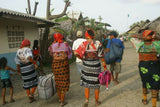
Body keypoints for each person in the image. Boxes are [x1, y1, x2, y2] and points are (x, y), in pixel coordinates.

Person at [74, 29, 107, 107]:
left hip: (86, 65)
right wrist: (105, 67)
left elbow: (75, 53)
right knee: (96, 84)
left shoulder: (84, 44)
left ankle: (86, 100)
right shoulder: (98, 43)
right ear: (93, 36)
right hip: (96, 66)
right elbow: (102, 56)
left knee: (87, 83)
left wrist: (82, 59)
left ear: (86, 36)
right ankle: (96, 101)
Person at [131, 30, 160, 107]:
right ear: (152, 37)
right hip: (155, 66)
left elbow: (132, 36)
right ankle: (154, 104)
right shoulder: (157, 44)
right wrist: (156, 36)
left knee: (145, 82)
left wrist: (142, 37)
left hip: (143, 66)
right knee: (154, 84)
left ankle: (144, 100)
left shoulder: (139, 45)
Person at [48, 33, 72, 106]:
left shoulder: (52, 46)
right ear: (62, 37)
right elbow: (70, 56)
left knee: (58, 81)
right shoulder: (66, 45)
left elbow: (50, 54)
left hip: (55, 65)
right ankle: (62, 101)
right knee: (64, 81)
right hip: (64, 65)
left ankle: (59, 98)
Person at [15, 39, 38, 103]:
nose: (30, 46)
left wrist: (19, 70)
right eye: (29, 45)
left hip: (23, 69)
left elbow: (17, 62)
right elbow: (28, 58)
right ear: (27, 44)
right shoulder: (28, 49)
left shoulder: (19, 51)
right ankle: (31, 94)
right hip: (29, 67)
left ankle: (30, 99)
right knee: (35, 82)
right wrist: (35, 63)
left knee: (27, 83)